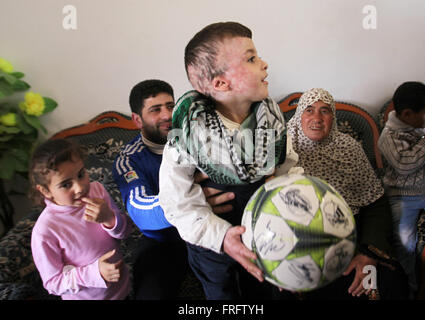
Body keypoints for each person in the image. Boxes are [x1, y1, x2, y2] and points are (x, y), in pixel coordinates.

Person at [159, 22, 299, 299]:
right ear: (221, 83)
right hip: (212, 247)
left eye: (257, 56)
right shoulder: (186, 134)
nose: (264, 64)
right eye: (251, 58)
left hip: (263, 235)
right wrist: (221, 238)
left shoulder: (271, 120)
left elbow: (288, 169)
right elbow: (177, 203)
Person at [112, 79, 236, 299]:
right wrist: (189, 201)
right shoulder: (129, 159)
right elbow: (140, 210)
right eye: (155, 110)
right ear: (137, 119)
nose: (167, 115)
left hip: (209, 228)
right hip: (164, 241)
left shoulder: (199, 137)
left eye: (170, 106)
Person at [286, 88, 408, 299]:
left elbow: (375, 203)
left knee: (382, 283)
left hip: (351, 244)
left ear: (333, 117)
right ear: (298, 116)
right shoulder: (283, 150)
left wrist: (368, 253)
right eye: (309, 110)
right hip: (297, 246)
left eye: (325, 111)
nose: (317, 118)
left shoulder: (349, 148)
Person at [30, 139, 131, 300]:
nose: (80, 187)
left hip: (123, 289)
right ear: (45, 191)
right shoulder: (45, 231)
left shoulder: (97, 190)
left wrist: (109, 218)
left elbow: (125, 232)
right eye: (65, 185)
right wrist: (95, 273)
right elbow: (53, 283)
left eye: (81, 174)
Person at [377, 81, 425, 296]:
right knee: (405, 242)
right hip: (403, 196)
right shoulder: (389, 137)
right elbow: (404, 166)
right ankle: (411, 287)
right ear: (407, 114)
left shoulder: (423, 127)